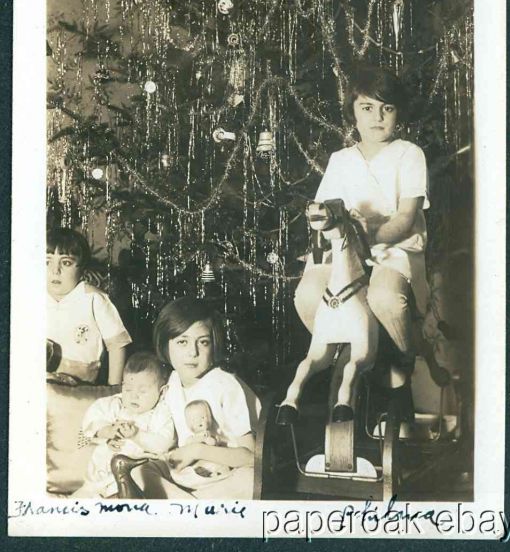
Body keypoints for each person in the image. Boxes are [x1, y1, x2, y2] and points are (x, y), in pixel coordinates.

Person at [294, 64, 448, 392]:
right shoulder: (341, 160)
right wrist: (326, 223)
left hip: (392, 245)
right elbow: (324, 213)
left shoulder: (409, 154)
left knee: (386, 299)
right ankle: (342, 349)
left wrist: (367, 236)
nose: (376, 116)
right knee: (308, 295)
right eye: (367, 108)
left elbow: (406, 217)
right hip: (343, 247)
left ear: (398, 114)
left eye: (386, 108)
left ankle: (405, 354)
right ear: (353, 113)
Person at [130, 296, 260, 499]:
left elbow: (250, 458)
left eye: (203, 342)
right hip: (190, 473)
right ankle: (192, 508)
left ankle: (184, 511)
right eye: (182, 342)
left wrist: (197, 450)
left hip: (228, 473)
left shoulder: (225, 384)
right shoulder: (171, 381)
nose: (193, 352)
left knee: (249, 480)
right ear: (166, 346)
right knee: (140, 472)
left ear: (214, 346)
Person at [73, 352, 175, 498]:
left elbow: (164, 443)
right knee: (84, 496)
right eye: (128, 389)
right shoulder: (116, 404)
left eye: (142, 391)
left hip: (136, 475)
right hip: (100, 475)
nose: (134, 396)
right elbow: (92, 419)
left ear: (162, 392)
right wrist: (107, 431)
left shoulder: (160, 413)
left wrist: (136, 435)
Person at [47, 227, 131, 385]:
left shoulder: (93, 299)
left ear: (82, 269)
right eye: (47, 262)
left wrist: (114, 388)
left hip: (80, 386)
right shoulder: (35, 298)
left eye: (66, 263)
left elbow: (117, 345)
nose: (55, 271)